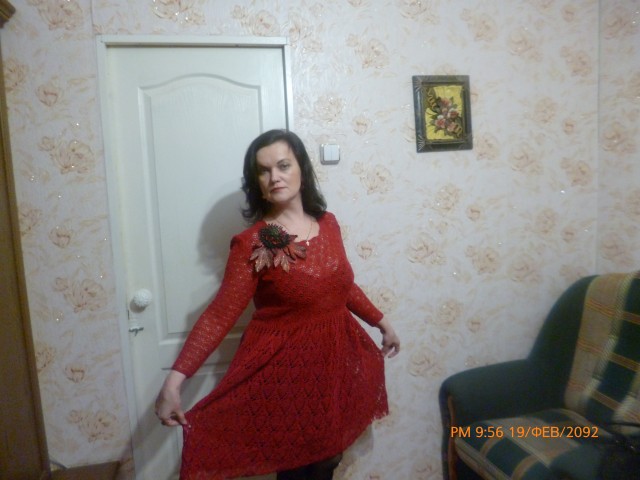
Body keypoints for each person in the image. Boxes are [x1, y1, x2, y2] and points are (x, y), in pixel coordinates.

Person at [155, 129, 401, 480]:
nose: (275, 177)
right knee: (297, 467)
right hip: (286, 374)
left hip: (333, 363)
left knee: (328, 459)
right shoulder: (251, 243)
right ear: (256, 181)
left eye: (283, 165)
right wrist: (174, 382)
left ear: (302, 169)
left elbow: (340, 286)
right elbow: (220, 315)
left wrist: (381, 322)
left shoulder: (328, 224)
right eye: (264, 170)